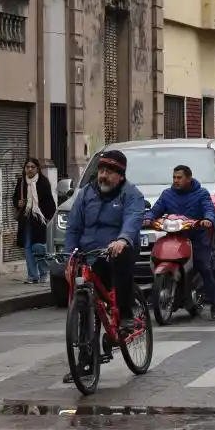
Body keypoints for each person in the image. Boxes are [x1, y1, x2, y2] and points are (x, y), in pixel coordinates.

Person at [61, 150, 145, 384]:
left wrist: (123, 239)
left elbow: (133, 219)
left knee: (122, 260)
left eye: (108, 172)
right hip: (90, 253)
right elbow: (74, 228)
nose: (103, 176)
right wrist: (70, 257)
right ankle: (85, 362)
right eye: (101, 170)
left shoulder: (131, 194)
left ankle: (125, 315)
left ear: (120, 175)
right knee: (85, 303)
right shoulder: (86, 194)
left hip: (117, 249)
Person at [144, 164, 215, 321]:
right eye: (174, 177)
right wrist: (148, 218)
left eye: (179, 177)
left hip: (196, 238)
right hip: (173, 236)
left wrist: (207, 219)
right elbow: (156, 209)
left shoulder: (201, 193)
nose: (176, 180)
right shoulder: (167, 194)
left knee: (205, 268)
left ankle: (214, 305)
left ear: (189, 178)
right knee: (156, 257)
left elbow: (208, 209)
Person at [12, 158, 57, 284]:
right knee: (27, 247)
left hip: (40, 219)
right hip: (26, 219)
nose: (30, 169)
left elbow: (50, 202)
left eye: (32, 167)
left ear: (37, 169)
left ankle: (44, 273)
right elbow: (15, 197)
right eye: (27, 167)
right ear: (24, 168)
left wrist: (48, 218)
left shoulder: (43, 182)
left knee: (39, 247)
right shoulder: (21, 182)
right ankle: (32, 276)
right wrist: (18, 203)